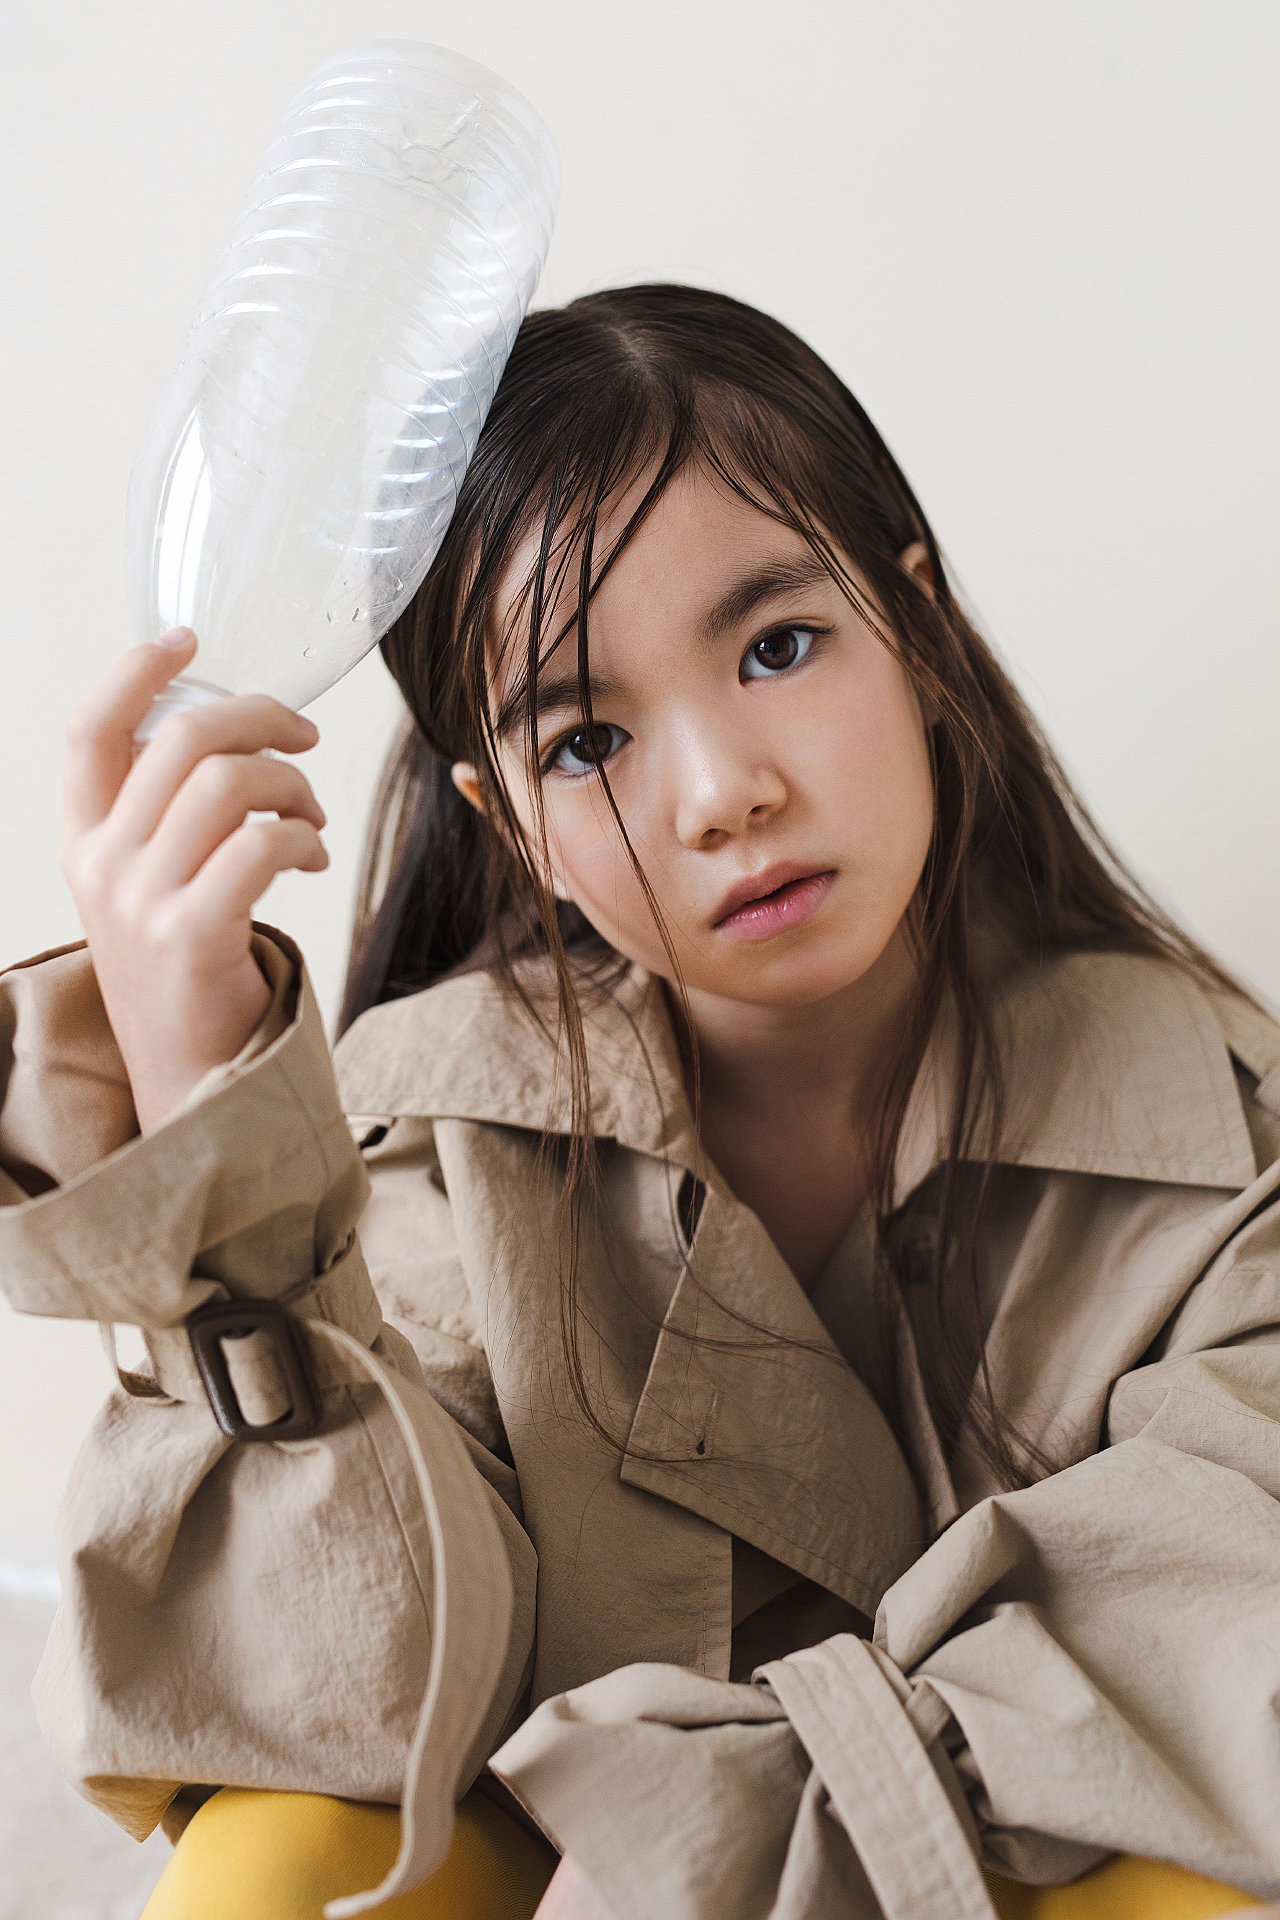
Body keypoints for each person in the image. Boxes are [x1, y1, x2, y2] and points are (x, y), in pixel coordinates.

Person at [2, 285, 1278, 1920]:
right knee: (270, 1858)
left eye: (779, 648)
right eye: (587, 739)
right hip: (544, 1860)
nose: (725, 792)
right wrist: (213, 1154)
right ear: (507, 823)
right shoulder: (430, 1141)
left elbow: (1201, 1682)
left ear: (921, 632)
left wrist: (675, 1853)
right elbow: (332, 1702)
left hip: (999, 1874)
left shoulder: (1224, 1139)